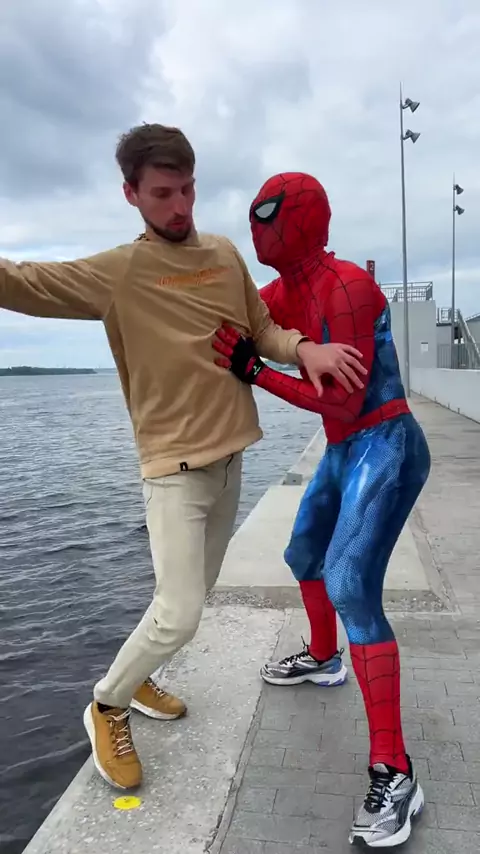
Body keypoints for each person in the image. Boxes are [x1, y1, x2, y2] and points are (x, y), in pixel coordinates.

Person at [0, 128, 367, 792]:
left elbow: (262, 329)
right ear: (131, 194)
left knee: (188, 599)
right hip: (173, 471)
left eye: (187, 190)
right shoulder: (119, 272)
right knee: (179, 613)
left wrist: (304, 349)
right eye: (162, 193)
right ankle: (107, 703)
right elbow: (23, 282)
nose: (179, 206)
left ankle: (141, 679)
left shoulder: (223, 255)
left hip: (231, 460)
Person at [213, 171, 431, 848]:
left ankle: (396, 771)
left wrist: (256, 371)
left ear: (301, 218)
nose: (257, 229)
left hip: (386, 442)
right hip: (345, 448)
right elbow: (238, 317)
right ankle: (324, 656)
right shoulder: (285, 290)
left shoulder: (347, 287)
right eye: (253, 216)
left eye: (267, 214)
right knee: (303, 553)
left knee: (349, 583)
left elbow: (341, 399)